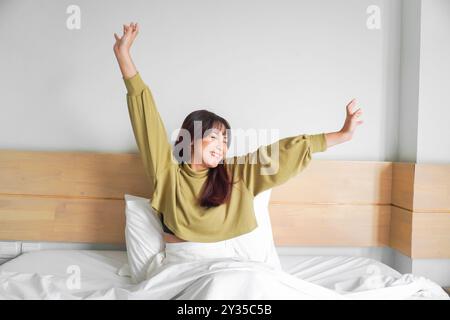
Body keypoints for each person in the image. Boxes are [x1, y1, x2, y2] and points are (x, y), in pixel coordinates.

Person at [113, 22, 364, 264]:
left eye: (225, 141)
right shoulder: (168, 175)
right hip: (183, 266)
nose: (221, 146)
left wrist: (342, 135)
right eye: (213, 136)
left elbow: (284, 152)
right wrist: (123, 54)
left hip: (229, 264)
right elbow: (146, 119)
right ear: (188, 139)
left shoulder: (234, 173)